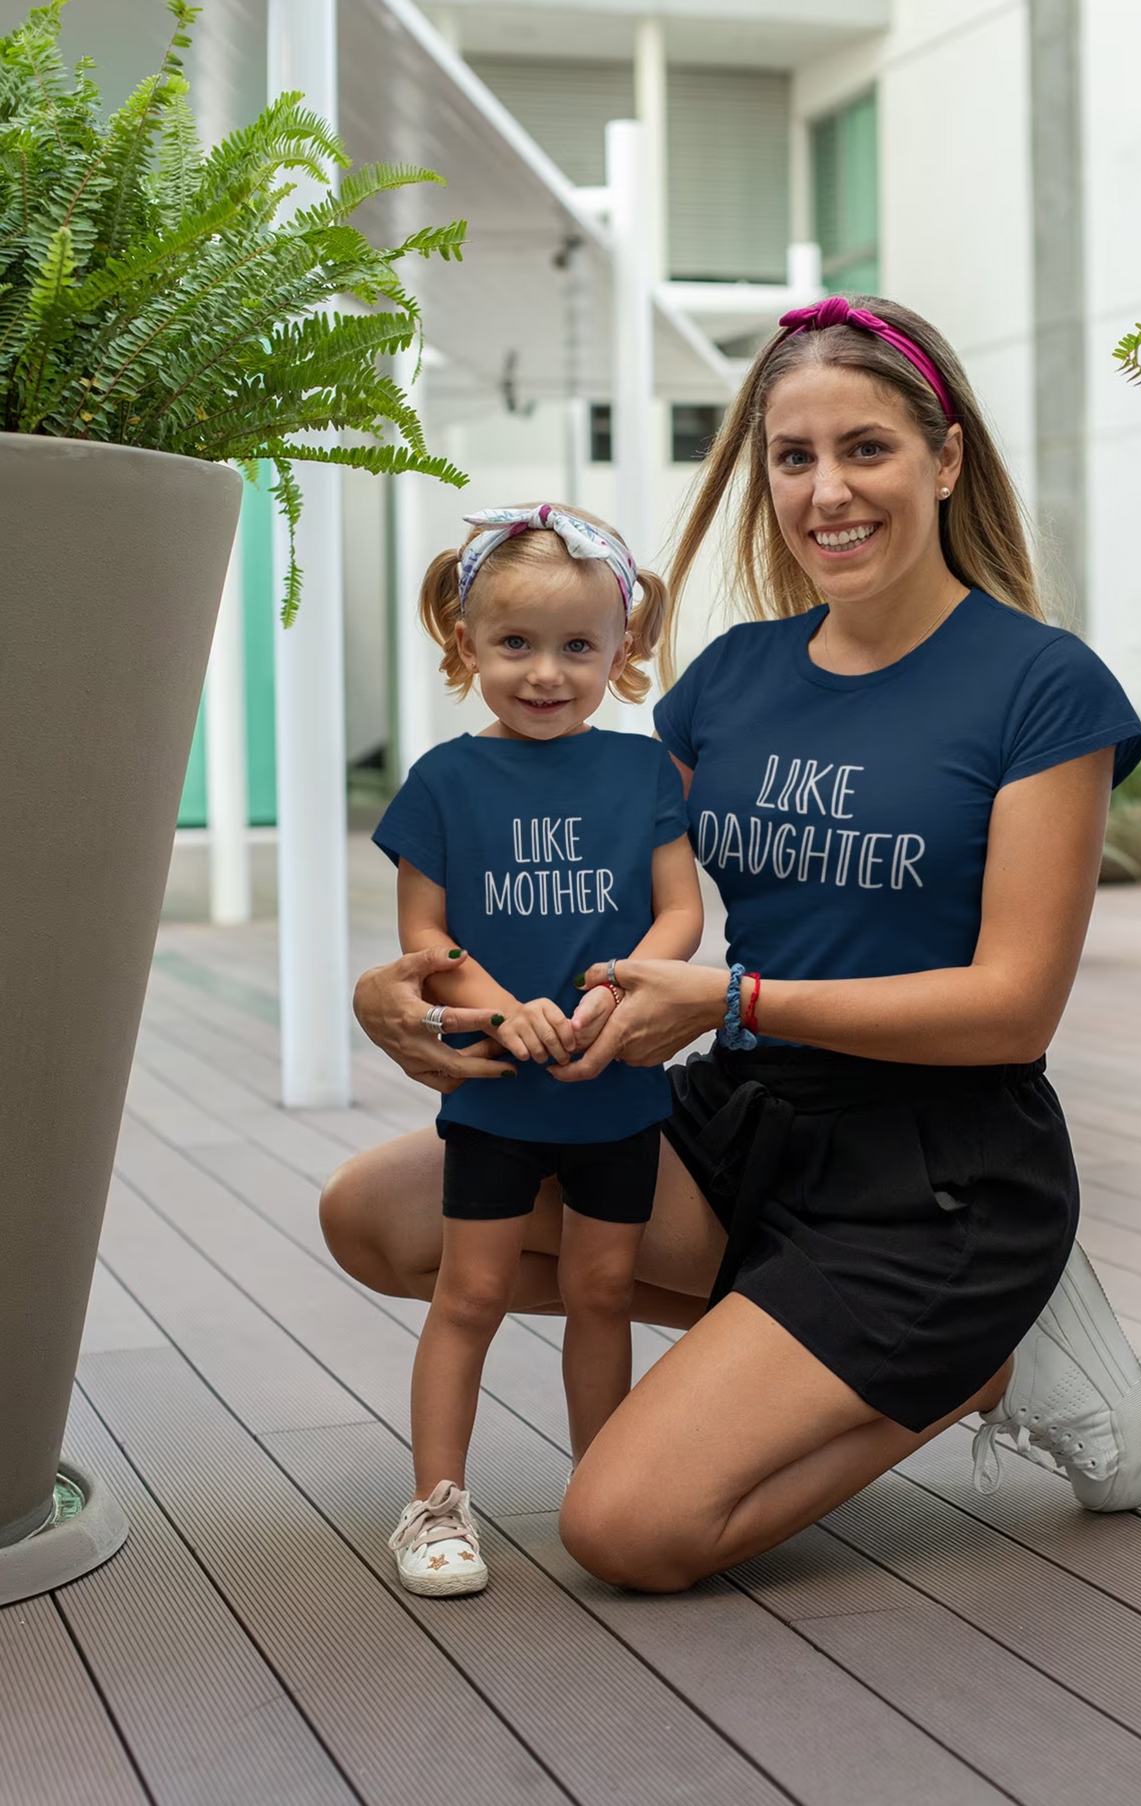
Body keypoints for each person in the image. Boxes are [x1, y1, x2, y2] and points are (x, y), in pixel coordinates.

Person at [326, 295, 1141, 1595]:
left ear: (944, 461)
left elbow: (1012, 1010)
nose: (826, 489)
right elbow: (563, 861)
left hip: (937, 1171)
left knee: (628, 1529)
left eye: (866, 448)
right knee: (377, 1219)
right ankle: (813, 1340)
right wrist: (415, 992)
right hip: (745, 1123)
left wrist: (734, 993)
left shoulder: (1040, 687)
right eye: (792, 456)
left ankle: (994, 1350)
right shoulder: (729, 677)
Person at [373, 503, 703, 1597]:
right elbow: (424, 943)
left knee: (601, 1292)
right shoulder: (443, 783)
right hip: (498, 1097)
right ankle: (434, 1507)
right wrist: (506, 1009)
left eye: (577, 647)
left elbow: (677, 919)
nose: (546, 673)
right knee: (468, 1296)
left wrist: (621, 992)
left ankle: (598, 1482)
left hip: (617, 1088)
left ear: (622, 652)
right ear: (466, 645)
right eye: (515, 644)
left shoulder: (645, 774)